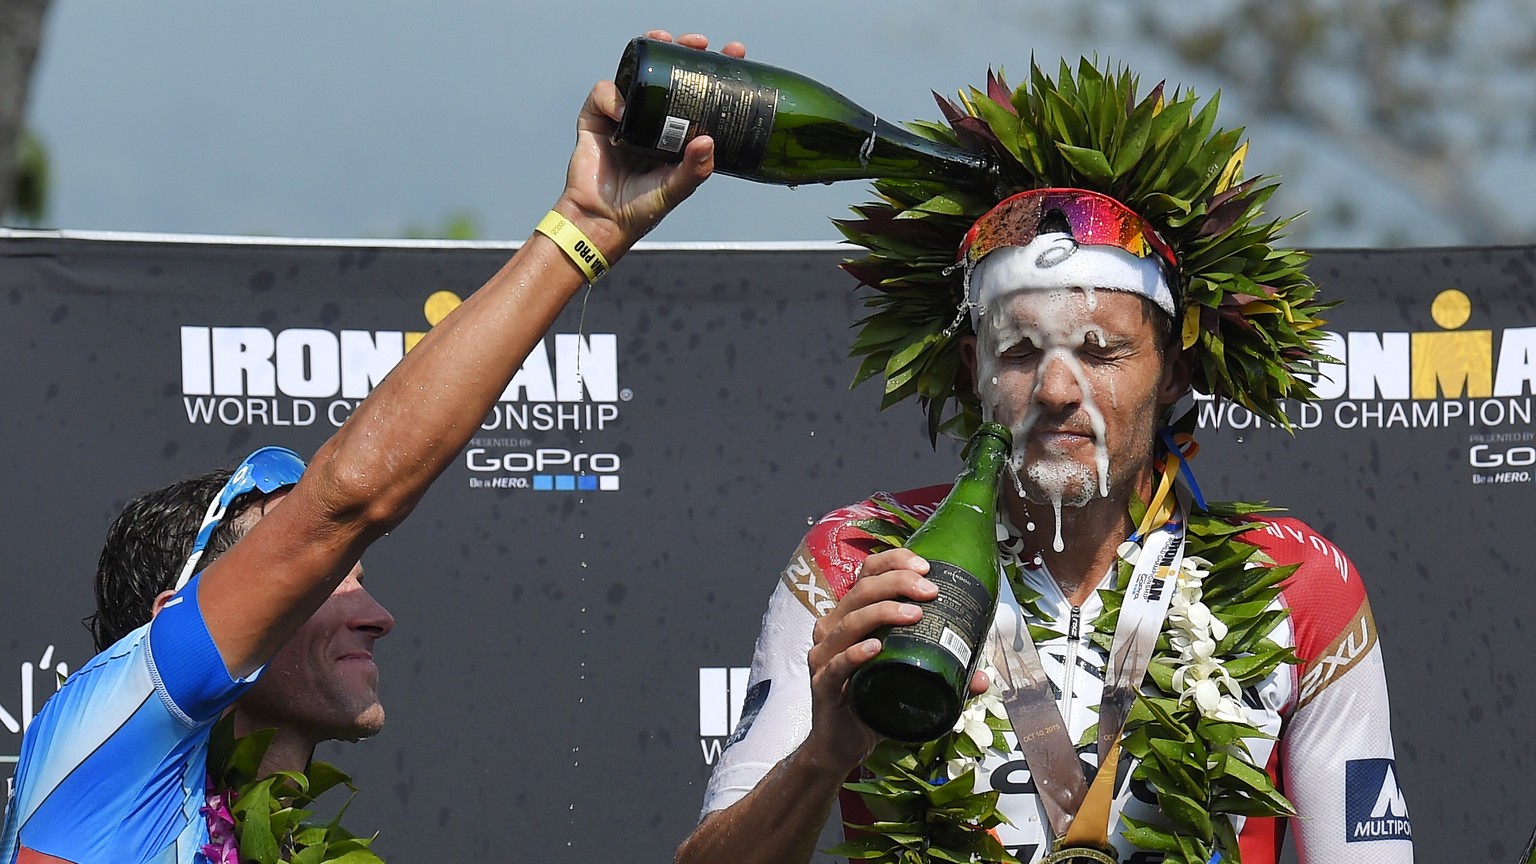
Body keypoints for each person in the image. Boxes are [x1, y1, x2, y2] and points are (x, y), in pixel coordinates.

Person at [0, 28, 742, 864]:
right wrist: (585, 229)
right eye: (323, 579)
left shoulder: (278, 841)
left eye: (355, 580)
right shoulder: (116, 723)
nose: (379, 617)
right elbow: (342, 502)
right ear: (184, 615)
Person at [677, 63, 1413, 864]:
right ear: (973, 368)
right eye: (1020, 351)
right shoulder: (858, 562)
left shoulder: (1295, 582)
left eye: (1101, 351)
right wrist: (826, 753)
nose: (1058, 389)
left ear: (1173, 372)